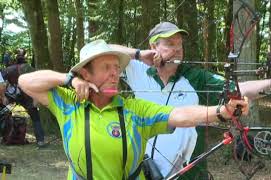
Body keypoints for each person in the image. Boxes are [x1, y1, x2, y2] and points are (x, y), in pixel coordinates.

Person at [18, 39, 249, 179]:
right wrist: (68, 79)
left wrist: (222, 112)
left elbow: (179, 114)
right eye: (106, 67)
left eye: (117, 68)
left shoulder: (133, 110)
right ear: (86, 74)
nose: (114, 74)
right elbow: (25, 82)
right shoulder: (69, 103)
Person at [109, 21, 271, 179]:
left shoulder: (196, 77)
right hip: (144, 171)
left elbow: (239, 88)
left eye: (179, 44)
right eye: (170, 44)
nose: (177, 49)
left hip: (189, 173)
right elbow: (104, 50)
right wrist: (138, 54)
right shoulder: (138, 70)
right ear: (153, 47)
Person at [0, 49, 45, 147]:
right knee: (35, 117)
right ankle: (40, 141)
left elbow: (2, 83)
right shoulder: (29, 68)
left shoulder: (9, 69)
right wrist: (36, 99)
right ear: (24, 58)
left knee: (2, 112)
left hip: (12, 96)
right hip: (27, 95)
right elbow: (37, 84)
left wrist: (3, 97)